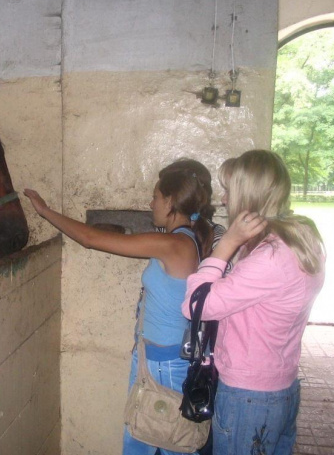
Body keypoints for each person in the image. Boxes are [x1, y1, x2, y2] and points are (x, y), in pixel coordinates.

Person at [24, 160, 215, 455]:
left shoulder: (175, 244)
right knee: (141, 439)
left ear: (171, 201)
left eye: (155, 197)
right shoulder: (183, 241)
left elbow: (90, 238)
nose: (151, 203)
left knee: (170, 444)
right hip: (155, 357)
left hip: (164, 364)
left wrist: (45, 211)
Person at [182, 150, 326, 455]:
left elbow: (197, 307)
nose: (223, 200)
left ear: (248, 195)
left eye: (228, 191)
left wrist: (227, 245)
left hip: (249, 397)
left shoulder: (270, 256)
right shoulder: (302, 237)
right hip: (279, 387)